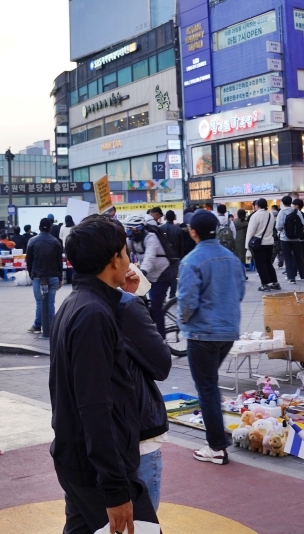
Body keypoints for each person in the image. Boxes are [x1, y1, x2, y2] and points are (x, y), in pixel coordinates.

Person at [50, 215, 159, 534]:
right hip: (98, 470)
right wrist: (115, 489)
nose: (130, 259)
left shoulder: (76, 304)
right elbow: (95, 407)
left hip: (78, 460)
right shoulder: (94, 315)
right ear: (115, 259)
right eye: (125, 252)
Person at [177, 209, 246, 465]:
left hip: (202, 333)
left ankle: (216, 446)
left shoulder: (191, 261)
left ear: (192, 232)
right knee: (210, 384)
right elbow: (239, 292)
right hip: (227, 331)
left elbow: (186, 302)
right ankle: (217, 437)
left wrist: (183, 320)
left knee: (206, 388)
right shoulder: (231, 258)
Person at [118, 272, 171, 511]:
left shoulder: (74, 305)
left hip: (96, 436)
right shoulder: (125, 305)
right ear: (114, 261)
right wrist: (135, 300)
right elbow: (161, 363)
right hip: (137, 430)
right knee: (142, 519)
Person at [26, 217, 64, 337]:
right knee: (51, 302)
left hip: (38, 276)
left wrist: (31, 273)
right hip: (53, 276)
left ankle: (37, 326)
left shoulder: (32, 241)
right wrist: (60, 277)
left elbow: (29, 261)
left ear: (39, 227)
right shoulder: (56, 242)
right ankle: (51, 326)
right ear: (51, 227)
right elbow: (59, 262)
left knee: (39, 302)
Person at [246, 199, 278, 291]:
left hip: (259, 244)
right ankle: (275, 282)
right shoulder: (270, 215)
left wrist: (247, 246)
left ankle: (265, 284)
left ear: (257, 206)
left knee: (261, 265)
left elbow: (250, 231)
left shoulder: (255, 216)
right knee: (268, 263)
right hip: (269, 242)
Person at [275, 196, 304, 283]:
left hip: (284, 238)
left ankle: (291, 277)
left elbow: (278, 226)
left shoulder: (281, 212)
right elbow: (303, 225)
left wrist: (283, 231)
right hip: (296, 239)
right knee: (299, 257)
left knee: (288, 257)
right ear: (291, 202)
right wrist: (298, 234)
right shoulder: (297, 211)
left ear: (282, 202)